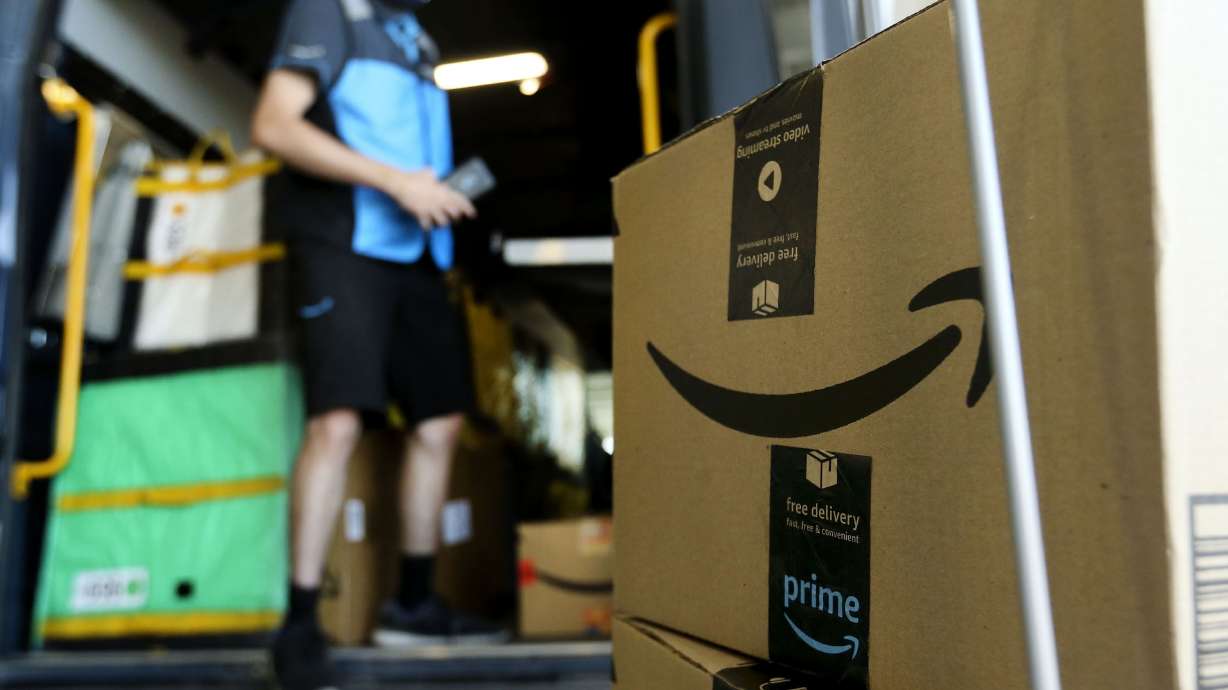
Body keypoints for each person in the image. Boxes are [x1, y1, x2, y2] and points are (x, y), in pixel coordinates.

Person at [251, 0, 505, 687]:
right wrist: (396, 182)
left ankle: (414, 605)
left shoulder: (415, 34)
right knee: (336, 423)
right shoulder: (327, 10)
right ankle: (300, 620)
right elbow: (274, 125)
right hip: (344, 241)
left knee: (440, 422)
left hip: (418, 250)